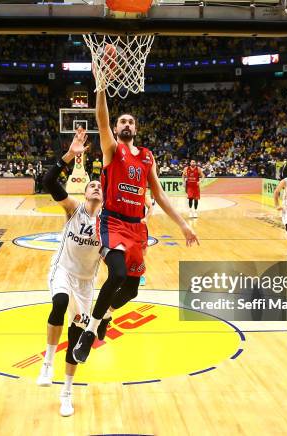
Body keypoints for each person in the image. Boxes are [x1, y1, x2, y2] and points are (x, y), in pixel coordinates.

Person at [72, 78, 200, 364]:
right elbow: (101, 120)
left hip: (137, 228)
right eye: (122, 122)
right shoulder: (112, 149)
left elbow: (159, 194)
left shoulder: (146, 157)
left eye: (131, 122)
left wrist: (183, 224)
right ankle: (89, 333)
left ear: (136, 129)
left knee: (131, 288)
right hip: (112, 223)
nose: (126, 125)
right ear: (116, 130)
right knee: (116, 274)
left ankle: (106, 312)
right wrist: (102, 86)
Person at [36, 128, 102, 417]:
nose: (97, 187)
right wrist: (70, 155)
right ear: (85, 191)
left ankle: (67, 393)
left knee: (76, 341)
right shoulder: (73, 209)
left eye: (100, 186)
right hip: (62, 270)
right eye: (92, 185)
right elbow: (48, 181)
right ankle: (47, 363)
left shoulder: (110, 223)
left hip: (87, 284)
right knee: (59, 303)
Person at [139, 193, 155, 287]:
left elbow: (150, 207)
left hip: (140, 227)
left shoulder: (142, 192)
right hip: (125, 225)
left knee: (141, 253)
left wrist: (146, 218)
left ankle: (141, 275)